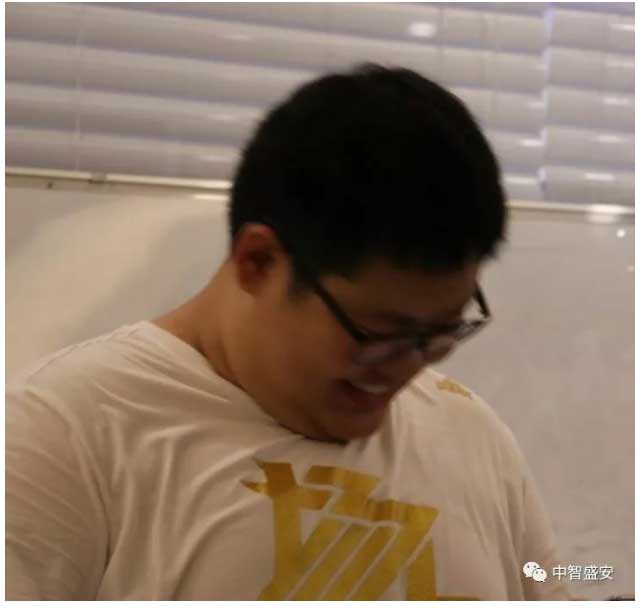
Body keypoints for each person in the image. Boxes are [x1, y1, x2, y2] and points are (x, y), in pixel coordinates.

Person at [6, 64, 572, 600]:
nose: (408, 369)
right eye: (378, 334)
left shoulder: (467, 431)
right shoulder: (65, 435)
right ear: (258, 262)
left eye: (441, 333)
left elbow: (548, 578)